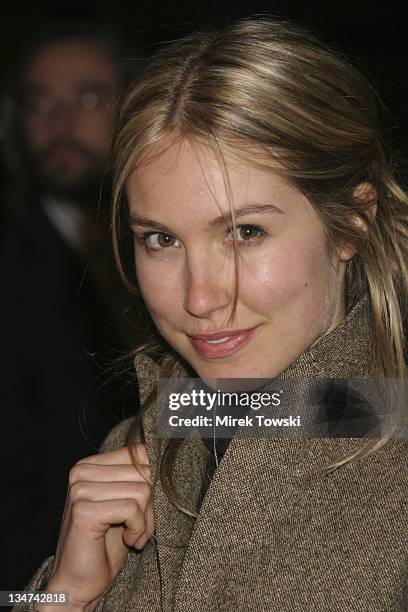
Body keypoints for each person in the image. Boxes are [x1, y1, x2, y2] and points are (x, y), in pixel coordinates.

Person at [19, 17, 408, 611]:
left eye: (245, 232)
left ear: (352, 222)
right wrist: (60, 597)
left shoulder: (390, 449)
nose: (199, 299)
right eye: (161, 240)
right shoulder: (137, 448)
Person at [0, 22, 143, 591]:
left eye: (87, 96)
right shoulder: (16, 266)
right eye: (38, 102)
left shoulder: (125, 247)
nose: (58, 125)